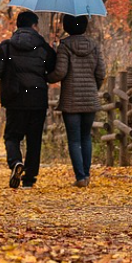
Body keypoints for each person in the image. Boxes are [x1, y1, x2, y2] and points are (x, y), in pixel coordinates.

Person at [0, 10, 56, 189]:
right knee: (34, 139)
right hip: (37, 98)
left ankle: (16, 162)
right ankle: (29, 179)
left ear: (18, 26)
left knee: (12, 136)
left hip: (15, 97)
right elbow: (53, 68)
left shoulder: (6, 46)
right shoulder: (43, 48)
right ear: (34, 26)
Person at [47, 14, 105, 187]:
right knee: (86, 137)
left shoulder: (65, 45)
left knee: (74, 139)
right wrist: (94, 89)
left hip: (71, 99)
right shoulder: (94, 45)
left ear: (66, 26)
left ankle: (80, 177)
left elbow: (60, 72)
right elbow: (101, 73)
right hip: (90, 99)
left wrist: (47, 77)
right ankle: (86, 175)